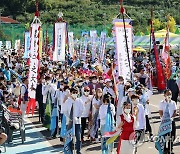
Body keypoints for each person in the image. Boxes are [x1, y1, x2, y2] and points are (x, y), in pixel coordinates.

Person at [64, 87, 84, 154]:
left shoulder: (79, 101)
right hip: (69, 122)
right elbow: (65, 111)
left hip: (77, 122)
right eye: (73, 92)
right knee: (69, 137)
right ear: (71, 93)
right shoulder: (68, 101)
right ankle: (70, 151)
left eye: (76, 92)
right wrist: (70, 118)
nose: (75, 94)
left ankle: (78, 150)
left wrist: (78, 117)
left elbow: (82, 110)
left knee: (78, 137)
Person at [159, 89, 177, 154]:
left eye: (170, 94)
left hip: (171, 121)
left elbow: (175, 111)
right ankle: (164, 149)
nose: (169, 95)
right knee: (164, 136)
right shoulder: (162, 103)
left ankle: (170, 149)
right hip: (164, 122)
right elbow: (160, 111)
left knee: (172, 136)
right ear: (164, 95)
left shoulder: (173, 102)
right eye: (168, 94)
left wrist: (172, 117)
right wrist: (162, 118)